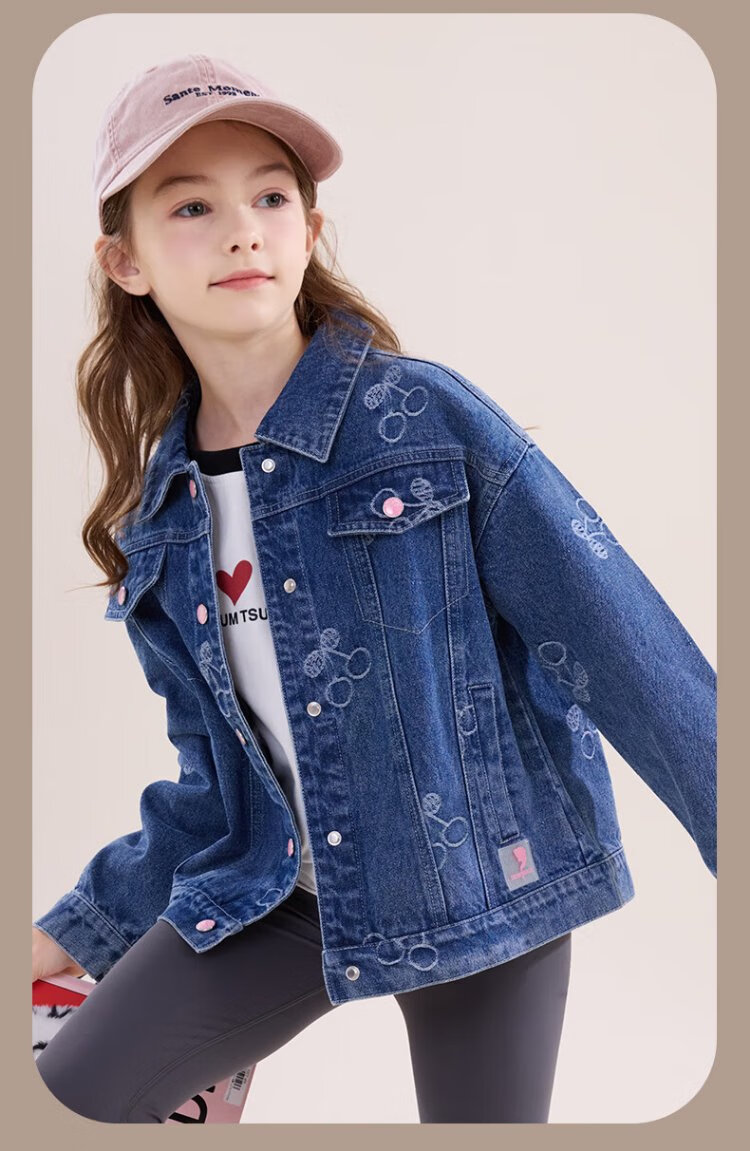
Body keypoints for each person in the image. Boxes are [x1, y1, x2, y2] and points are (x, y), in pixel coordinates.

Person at [32, 54, 714, 1124]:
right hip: (280, 891)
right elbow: (216, 792)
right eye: (193, 207)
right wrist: (77, 928)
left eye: (270, 198)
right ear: (125, 260)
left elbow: (621, 644)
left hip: (484, 883)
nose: (244, 232)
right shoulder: (160, 520)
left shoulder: (423, 422)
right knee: (64, 1102)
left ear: (309, 229)